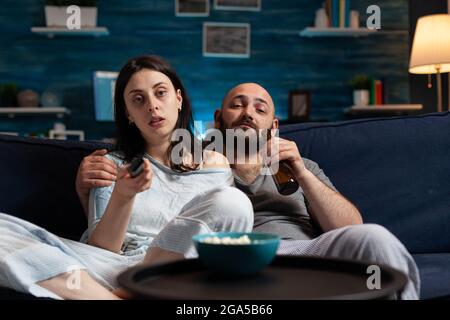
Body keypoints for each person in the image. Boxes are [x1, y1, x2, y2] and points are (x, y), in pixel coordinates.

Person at [77, 82, 420, 300]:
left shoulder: (301, 166)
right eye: (237, 105)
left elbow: (350, 227)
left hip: (302, 254)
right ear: (218, 119)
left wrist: (301, 171)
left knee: (375, 237)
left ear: (274, 126)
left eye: (260, 108)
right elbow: (149, 181)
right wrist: (86, 182)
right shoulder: (193, 162)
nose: (248, 113)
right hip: (228, 261)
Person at [0, 56, 254, 299]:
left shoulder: (215, 164)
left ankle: (136, 289)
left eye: (160, 92)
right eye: (138, 99)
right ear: (129, 114)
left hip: (180, 268)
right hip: (111, 269)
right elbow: (102, 250)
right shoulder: (111, 164)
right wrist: (124, 195)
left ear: (178, 99)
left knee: (233, 202)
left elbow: (229, 231)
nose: (152, 105)